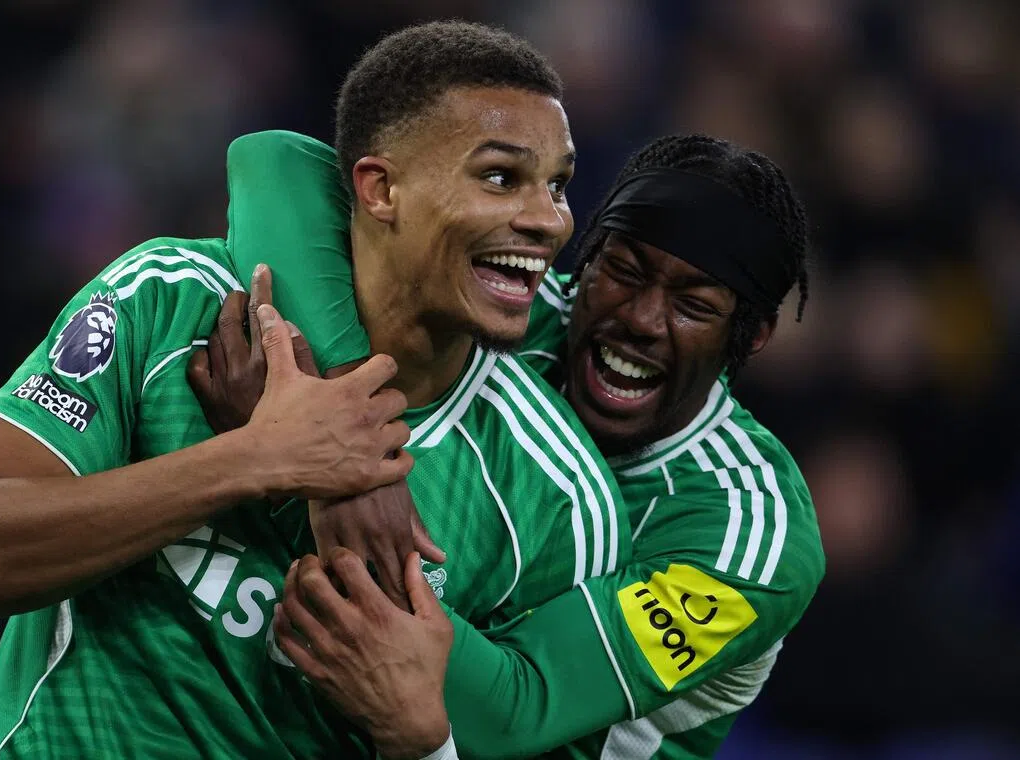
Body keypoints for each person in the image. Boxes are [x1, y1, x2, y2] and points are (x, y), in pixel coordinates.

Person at [0, 21, 629, 759]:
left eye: (559, 185)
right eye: (501, 178)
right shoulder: (170, 303)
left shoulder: (559, 498)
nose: (548, 220)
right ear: (381, 189)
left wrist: (422, 740)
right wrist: (255, 460)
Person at [194, 133, 826, 759]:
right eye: (623, 272)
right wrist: (333, 424)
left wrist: (301, 466)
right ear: (587, 258)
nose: (639, 318)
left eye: (693, 306)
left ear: (751, 337)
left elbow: (511, 713)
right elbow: (272, 162)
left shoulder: (749, 533)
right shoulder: (515, 313)